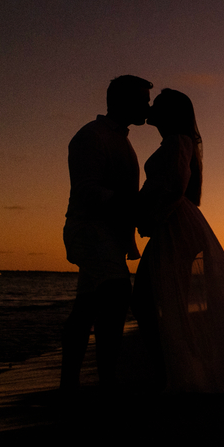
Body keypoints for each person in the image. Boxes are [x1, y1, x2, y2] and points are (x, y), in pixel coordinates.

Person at [132, 88, 224, 392]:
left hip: (175, 225)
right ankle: (181, 370)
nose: (151, 107)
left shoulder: (177, 141)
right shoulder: (178, 141)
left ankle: (176, 373)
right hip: (177, 224)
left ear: (170, 113)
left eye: (158, 104)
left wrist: (151, 216)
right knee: (161, 300)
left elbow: (175, 185)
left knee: (152, 300)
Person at [61, 74, 153, 391]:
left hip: (109, 237)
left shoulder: (120, 139)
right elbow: (86, 191)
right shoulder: (92, 136)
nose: (147, 107)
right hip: (90, 232)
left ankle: (70, 384)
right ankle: (107, 383)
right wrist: (133, 204)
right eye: (142, 101)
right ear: (122, 101)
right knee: (116, 295)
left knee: (86, 308)